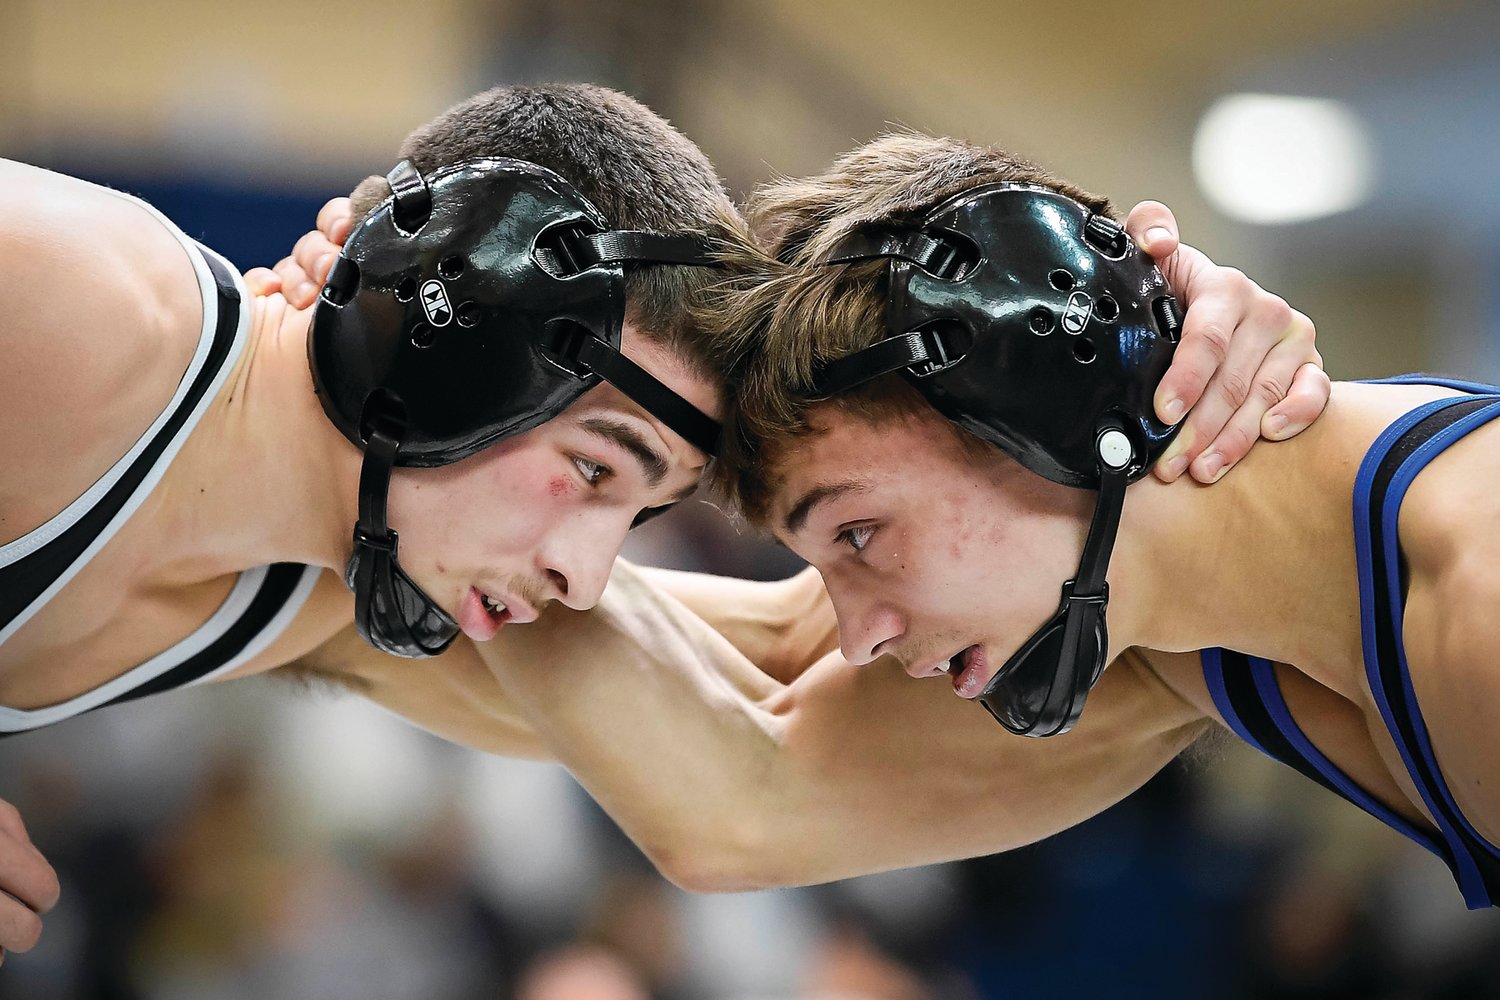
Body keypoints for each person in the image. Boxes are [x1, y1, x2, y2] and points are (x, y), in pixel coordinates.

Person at [0, 83, 1324, 965]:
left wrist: (1144, 390)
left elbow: (780, 723)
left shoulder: (333, 586)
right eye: (593, 468)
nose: (587, 576)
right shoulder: (96, 310)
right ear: (449, 317)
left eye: (634, 512)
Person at [352, 131, 1492, 910]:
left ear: (1042, 398)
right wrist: (370, 422)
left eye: (854, 536)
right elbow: (758, 683)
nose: (854, 634)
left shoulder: (1478, 591)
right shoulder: (1177, 621)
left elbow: (757, 757)